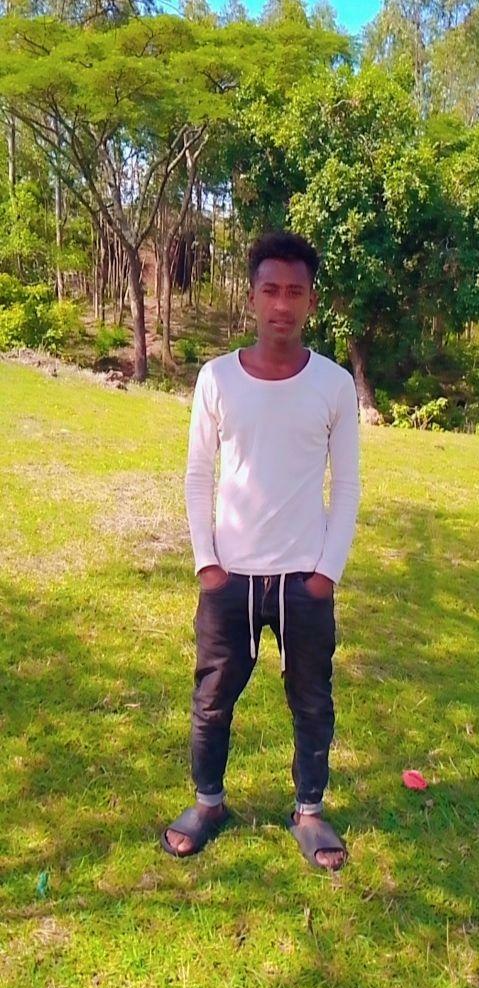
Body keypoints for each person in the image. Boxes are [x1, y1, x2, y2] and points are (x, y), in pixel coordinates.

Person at [161, 230, 360, 871]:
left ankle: (310, 811)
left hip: (304, 578)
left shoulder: (333, 385)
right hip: (232, 577)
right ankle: (207, 803)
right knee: (212, 698)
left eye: (295, 292)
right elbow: (198, 473)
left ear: (311, 301)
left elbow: (347, 484)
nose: (282, 304)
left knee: (312, 699)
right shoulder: (217, 379)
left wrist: (326, 573)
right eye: (270, 289)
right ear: (251, 296)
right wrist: (207, 564)